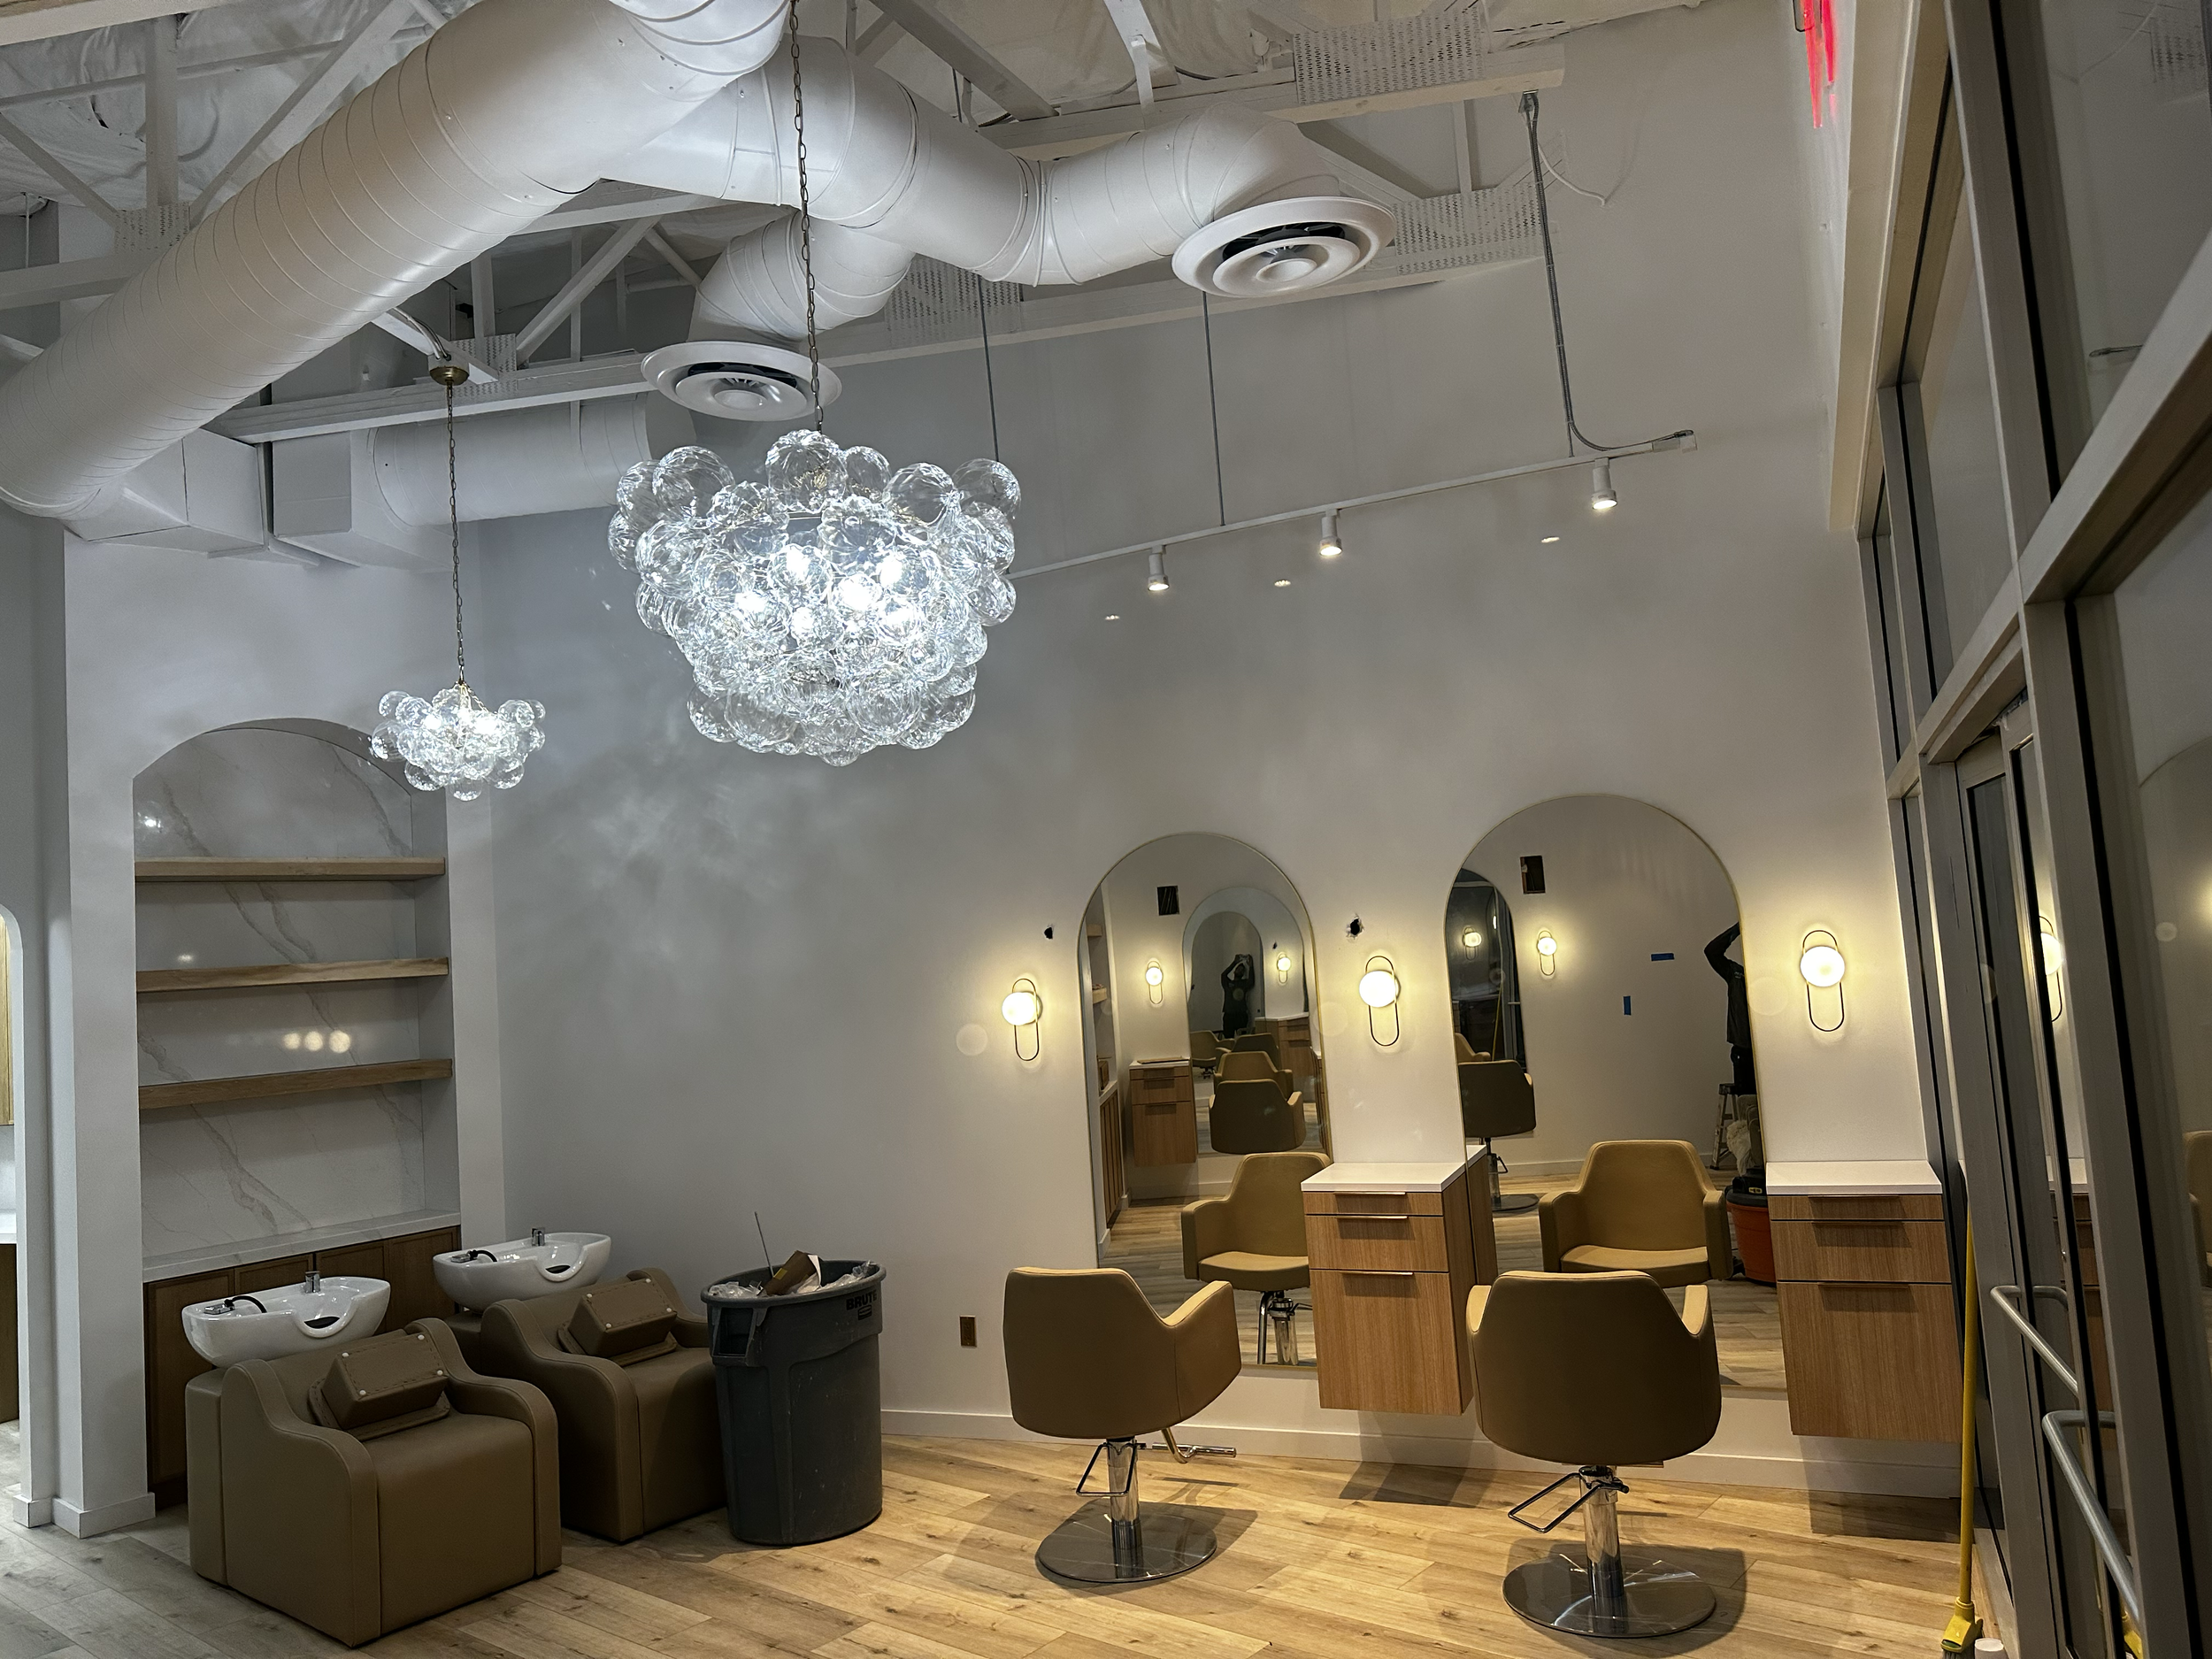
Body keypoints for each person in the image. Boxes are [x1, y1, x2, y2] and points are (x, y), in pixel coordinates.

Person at [1705, 923, 1755, 1096]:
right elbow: (1711, 951)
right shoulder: (1736, 974)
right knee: (1748, 1106)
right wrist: (1739, 928)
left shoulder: (1775, 977)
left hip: (1768, 1052)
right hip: (1743, 1050)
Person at [1220, 953, 1255, 1037]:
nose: (1240, 971)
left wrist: (1251, 967)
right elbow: (1223, 975)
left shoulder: (1244, 984)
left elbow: (1251, 982)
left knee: (1242, 1039)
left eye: (1242, 970)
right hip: (1229, 1015)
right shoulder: (1228, 983)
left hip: (1241, 1015)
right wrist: (1234, 962)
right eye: (1238, 969)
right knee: (1228, 1039)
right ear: (1234, 971)